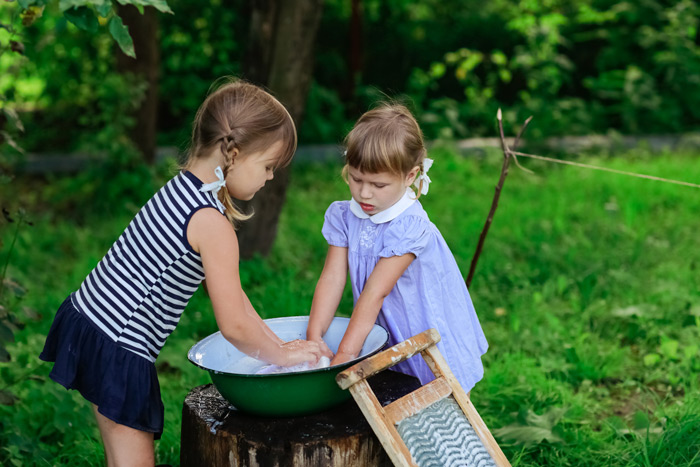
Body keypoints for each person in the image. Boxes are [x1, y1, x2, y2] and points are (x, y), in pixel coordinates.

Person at [39, 80, 322, 466]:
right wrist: (282, 359)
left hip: (92, 321)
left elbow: (236, 298)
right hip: (120, 345)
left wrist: (276, 345)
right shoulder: (211, 223)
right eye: (268, 166)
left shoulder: (183, 190)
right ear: (234, 154)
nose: (270, 177)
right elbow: (234, 326)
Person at [306, 104, 488, 393]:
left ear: (410, 176)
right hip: (379, 322)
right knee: (393, 392)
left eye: (378, 184)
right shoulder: (343, 216)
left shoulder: (409, 225)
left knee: (435, 391)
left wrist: (344, 358)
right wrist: (314, 338)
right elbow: (332, 278)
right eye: (356, 179)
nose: (364, 193)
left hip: (419, 324)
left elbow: (376, 291)